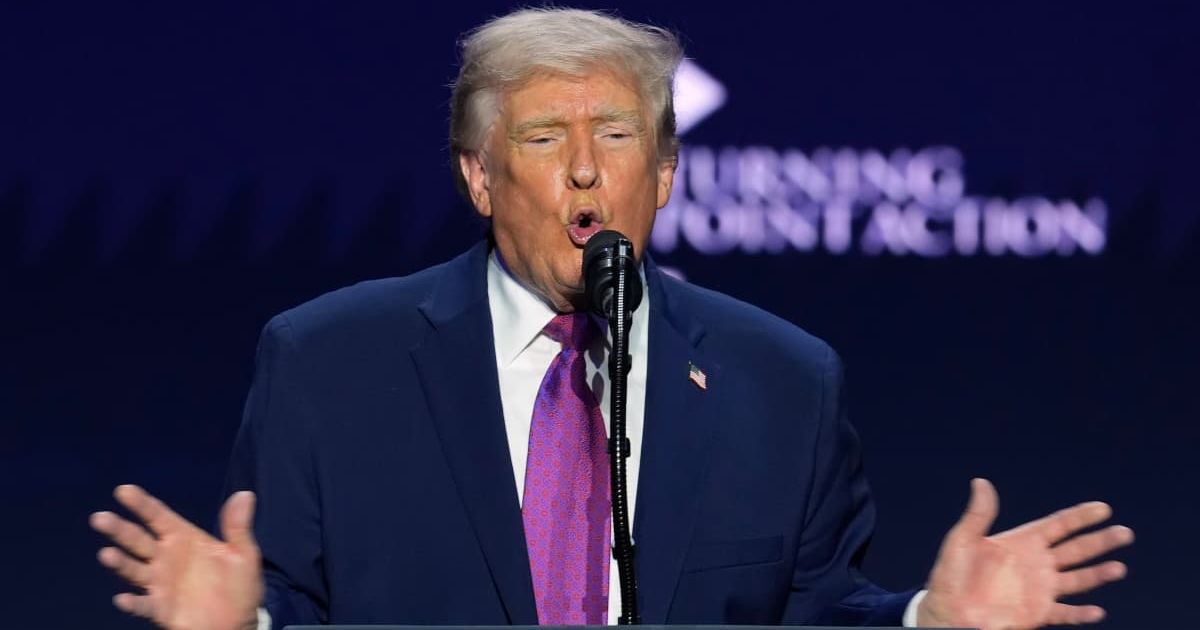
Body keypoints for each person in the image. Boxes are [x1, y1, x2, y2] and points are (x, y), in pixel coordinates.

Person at [90, 8, 1133, 630]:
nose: (586, 166)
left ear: (668, 173)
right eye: (544, 136)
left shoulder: (783, 380)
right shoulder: (329, 362)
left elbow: (813, 614)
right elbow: (288, 603)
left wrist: (926, 623)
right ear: (479, 177)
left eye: (619, 133)